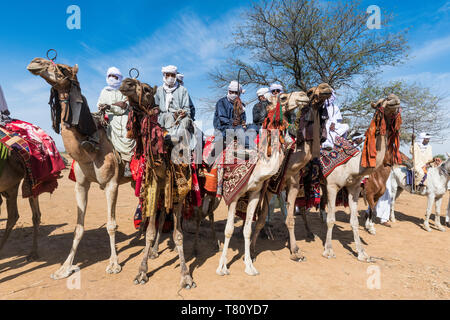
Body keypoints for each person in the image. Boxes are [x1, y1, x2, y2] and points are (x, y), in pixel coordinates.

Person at [97, 67, 135, 177]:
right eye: (110, 76)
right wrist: (102, 107)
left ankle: (127, 163)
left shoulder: (123, 91)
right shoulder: (104, 91)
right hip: (107, 116)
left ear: (119, 78)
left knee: (125, 134)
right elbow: (99, 103)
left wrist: (111, 106)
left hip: (122, 117)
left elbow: (123, 108)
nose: (112, 78)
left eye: (115, 76)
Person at [155, 65, 194, 150]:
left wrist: (182, 113)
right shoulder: (159, 90)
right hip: (164, 118)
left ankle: (178, 143)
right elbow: (156, 106)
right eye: (168, 75)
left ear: (175, 76)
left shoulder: (183, 90)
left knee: (186, 122)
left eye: (172, 75)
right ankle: (168, 138)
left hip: (180, 117)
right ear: (164, 76)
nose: (170, 77)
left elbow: (187, 109)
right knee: (168, 116)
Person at [213, 80, 249, 148]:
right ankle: (248, 147)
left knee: (252, 128)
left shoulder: (241, 105)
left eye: (236, 93)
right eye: (232, 92)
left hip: (238, 128)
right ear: (229, 91)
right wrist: (233, 122)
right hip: (223, 128)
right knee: (237, 129)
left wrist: (243, 123)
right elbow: (222, 118)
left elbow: (243, 118)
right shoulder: (221, 102)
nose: (234, 94)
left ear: (239, 94)